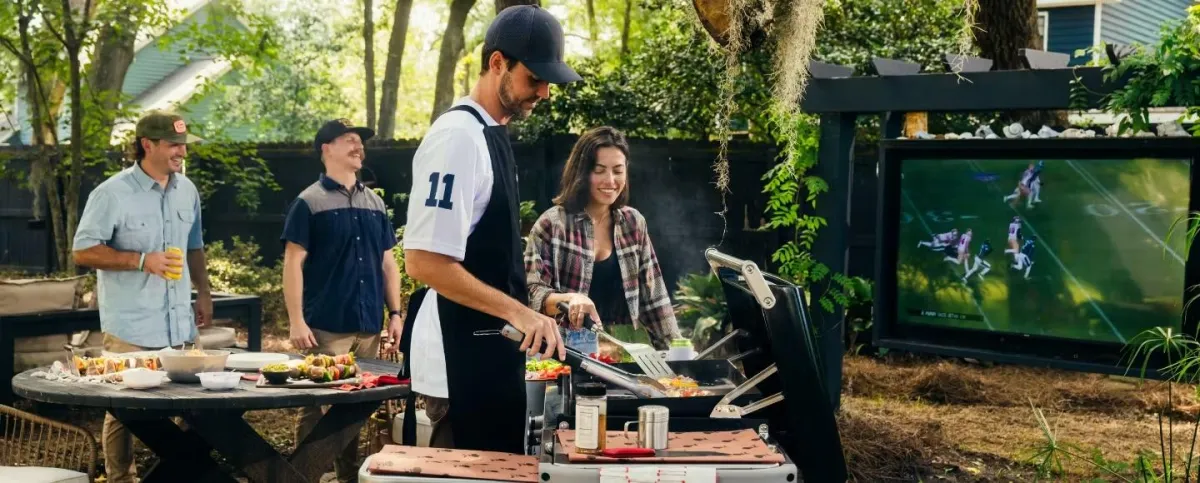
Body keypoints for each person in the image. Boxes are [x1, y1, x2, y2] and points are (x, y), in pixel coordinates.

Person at [400, 4, 581, 454]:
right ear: (497, 62)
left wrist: (538, 306)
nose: (543, 92)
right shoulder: (457, 138)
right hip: (459, 360)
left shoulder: (489, 133)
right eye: (533, 78)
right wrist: (519, 312)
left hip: (489, 355)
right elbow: (423, 262)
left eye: (548, 81)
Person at [72, 110, 212, 483]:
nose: (181, 152)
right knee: (122, 410)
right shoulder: (111, 193)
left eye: (184, 145)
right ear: (146, 145)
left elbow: (194, 246)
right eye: (173, 145)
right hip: (132, 324)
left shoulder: (188, 189)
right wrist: (141, 261)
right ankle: (122, 479)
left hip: (180, 323)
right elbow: (83, 251)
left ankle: (184, 473)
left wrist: (204, 294)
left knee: (198, 404)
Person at [280, 118, 405, 482]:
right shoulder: (309, 202)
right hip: (325, 324)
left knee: (352, 410)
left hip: (367, 324)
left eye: (360, 141)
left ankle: (347, 476)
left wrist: (395, 313)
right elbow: (293, 263)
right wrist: (296, 320)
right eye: (348, 140)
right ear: (326, 149)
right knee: (318, 407)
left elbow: (387, 263)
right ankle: (303, 475)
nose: (357, 146)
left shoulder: (375, 203)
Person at [523, 126, 682, 353]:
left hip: (622, 353)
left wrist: (680, 355)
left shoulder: (633, 223)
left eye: (618, 171)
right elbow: (531, 292)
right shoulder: (551, 224)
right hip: (564, 354)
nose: (610, 180)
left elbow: (655, 299)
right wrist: (570, 299)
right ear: (582, 172)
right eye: (599, 170)